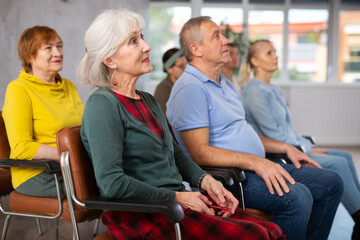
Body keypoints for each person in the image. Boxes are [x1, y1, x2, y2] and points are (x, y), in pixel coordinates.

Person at [78, 9, 285, 240]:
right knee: (258, 236)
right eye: (133, 42)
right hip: (144, 214)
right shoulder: (103, 105)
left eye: (142, 37)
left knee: (273, 231)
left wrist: (206, 181)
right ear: (109, 59)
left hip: (174, 204)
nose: (146, 46)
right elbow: (112, 184)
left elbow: (176, 156)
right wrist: (177, 197)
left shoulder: (148, 100)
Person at [166, 16, 344, 240]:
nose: (225, 41)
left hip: (254, 168)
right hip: (227, 178)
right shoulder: (190, 88)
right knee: (298, 198)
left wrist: (284, 147)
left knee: (331, 182)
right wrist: (257, 162)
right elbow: (199, 153)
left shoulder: (225, 83)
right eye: (216, 36)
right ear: (196, 49)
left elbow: (242, 131)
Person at [240, 39, 360, 239]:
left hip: (294, 147)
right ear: (255, 61)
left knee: (345, 155)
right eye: (269, 53)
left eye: (275, 51)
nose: (276, 56)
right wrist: (308, 151)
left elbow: (289, 130)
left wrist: (308, 147)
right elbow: (274, 135)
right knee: (338, 163)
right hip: (278, 154)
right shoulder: (254, 91)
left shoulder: (273, 89)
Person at [2, 26, 84, 197]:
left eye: (59, 46)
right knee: (103, 188)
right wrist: (70, 155)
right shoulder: (18, 89)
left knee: (119, 178)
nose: (57, 52)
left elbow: (83, 129)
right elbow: (22, 148)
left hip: (72, 167)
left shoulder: (68, 86)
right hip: (38, 173)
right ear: (29, 56)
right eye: (48, 47)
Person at [154, 48, 186, 113]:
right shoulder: (163, 88)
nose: (186, 69)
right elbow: (164, 119)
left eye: (187, 64)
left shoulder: (187, 84)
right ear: (169, 69)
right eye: (181, 66)